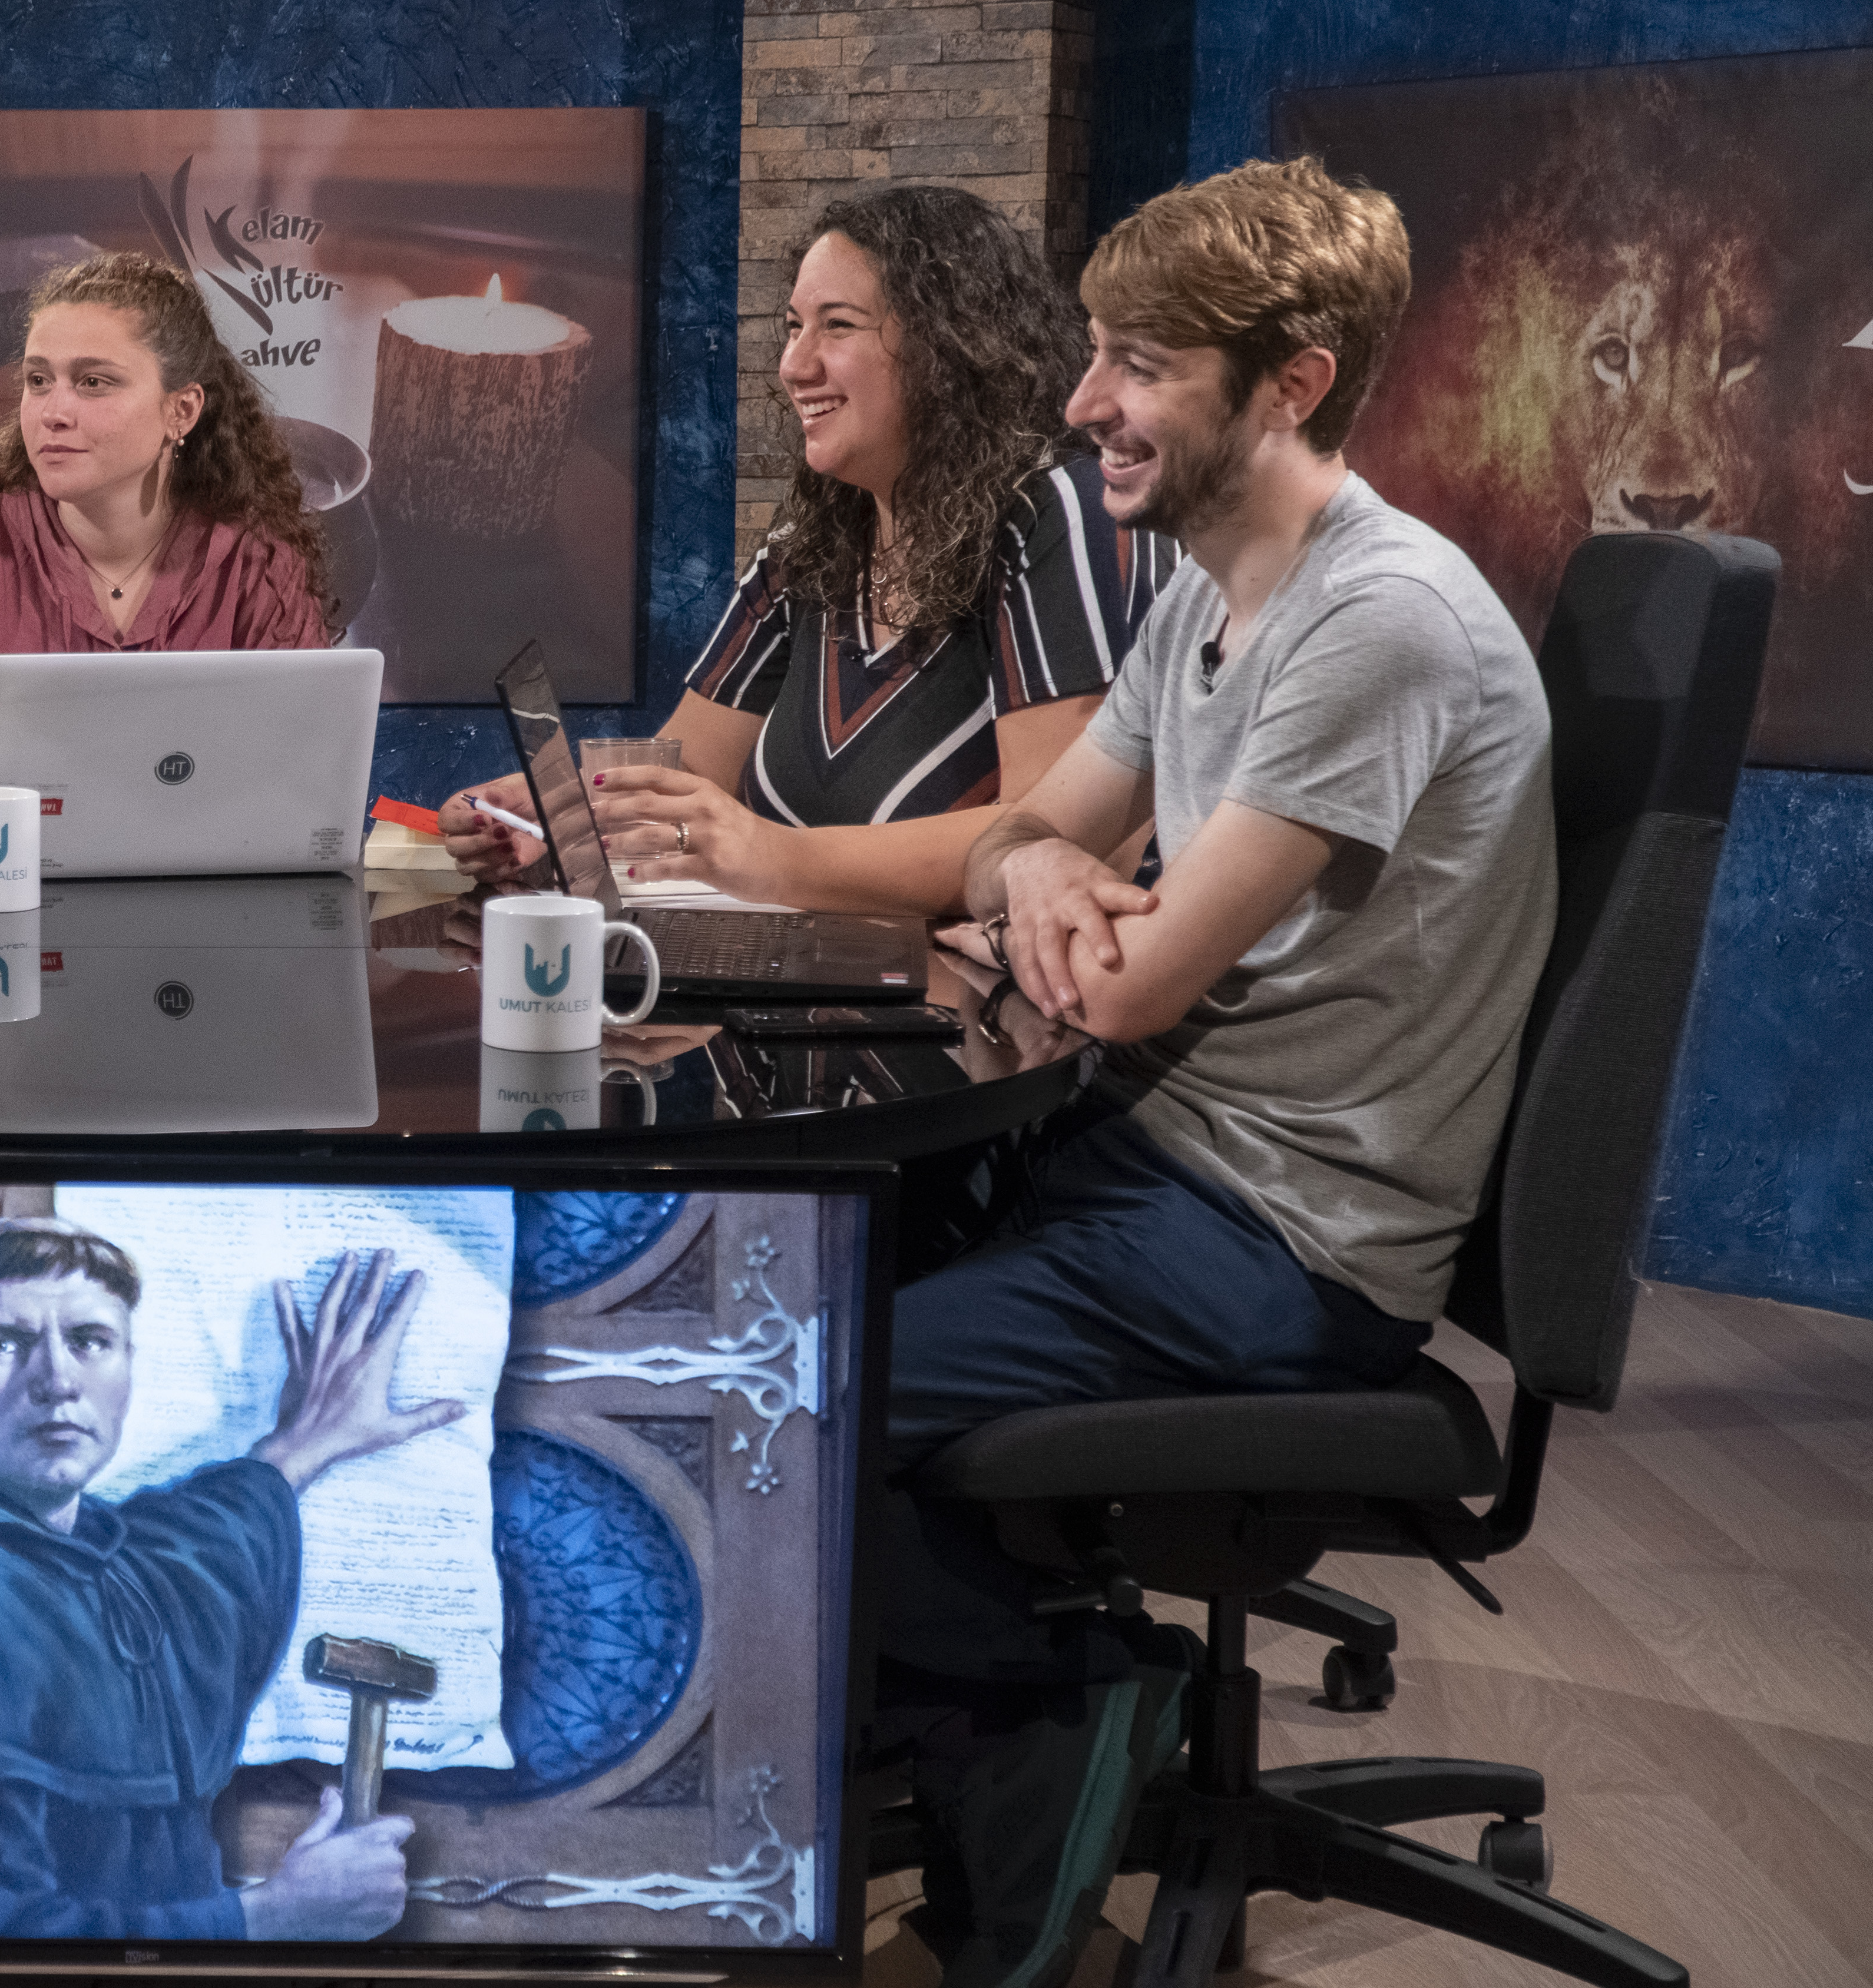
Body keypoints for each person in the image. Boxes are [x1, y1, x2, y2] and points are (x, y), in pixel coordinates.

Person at [879, 158, 1553, 1987]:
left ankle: (1068, 1712)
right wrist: (1035, 870)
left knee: (789, 1410)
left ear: (1291, 381)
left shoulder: (1377, 620)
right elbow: (1007, 846)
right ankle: (904, 1738)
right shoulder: (1196, 594)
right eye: (1093, 355)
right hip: (1159, 1163)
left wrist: (1064, 904)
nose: (1082, 402)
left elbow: (1128, 982)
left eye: (1136, 364)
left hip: (1279, 1246)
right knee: (765, 1294)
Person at [0, 1224, 460, 1941]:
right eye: (3, 1344)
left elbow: (190, 1540)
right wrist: (274, 1918)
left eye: (90, 1342)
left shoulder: (108, 1559)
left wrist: (303, 1442)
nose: (57, 1380)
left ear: (129, 1371)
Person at [439, 184, 1176, 915]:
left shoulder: (1063, 513)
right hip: (797, 1000)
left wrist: (764, 855)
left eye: (838, 326)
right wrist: (554, 812)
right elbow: (690, 768)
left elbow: (1053, 844)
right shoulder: (811, 546)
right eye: (793, 327)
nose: (795, 364)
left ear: (950, 349)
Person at [0, 252, 333, 810]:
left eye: (93, 382)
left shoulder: (258, 564)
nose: (53, 412)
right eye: (39, 381)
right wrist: (74, 810)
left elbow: (304, 774)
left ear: (181, 411)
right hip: (12, 886)